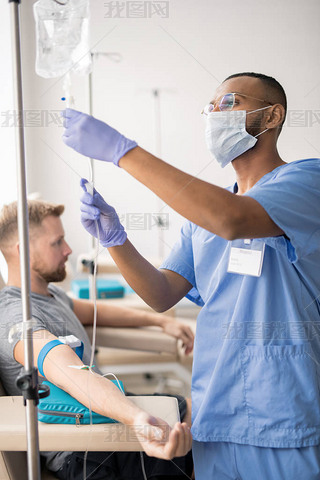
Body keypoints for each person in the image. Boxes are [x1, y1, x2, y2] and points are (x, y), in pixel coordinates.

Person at [62, 71, 320, 480]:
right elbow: (161, 293)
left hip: (286, 413)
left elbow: (233, 220)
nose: (216, 113)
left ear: (273, 116)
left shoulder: (308, 180)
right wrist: (115, 238)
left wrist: (121, 151)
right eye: (210, 107)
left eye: (230, 102)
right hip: (216, 414)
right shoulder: (202, 220)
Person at [0, 199, 194, 480]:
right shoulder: (15, 315)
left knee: (196, 412)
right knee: (190, 434)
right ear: (24, 251)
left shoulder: (51, 296)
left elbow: (97, 311)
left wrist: (162, 321)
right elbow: (68, 371)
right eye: (58, 243)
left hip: (108, 416)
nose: (68, 250)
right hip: (85, 448)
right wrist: (137, 419)